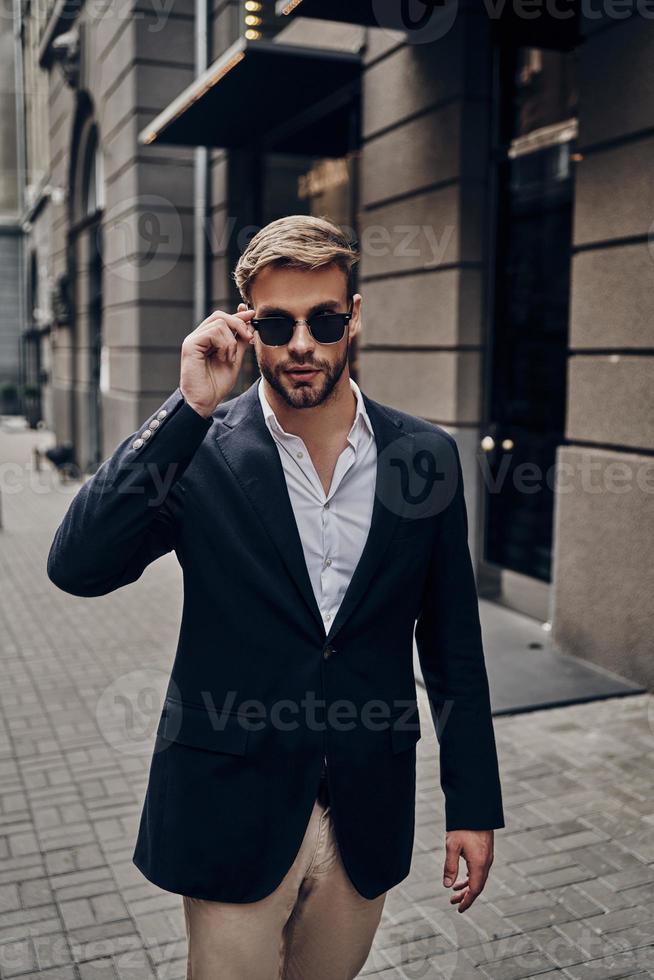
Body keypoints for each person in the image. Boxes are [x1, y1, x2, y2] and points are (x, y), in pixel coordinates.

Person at [47, 215, 504, 980]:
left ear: (353, 316)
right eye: (278, 323)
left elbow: (453, 644)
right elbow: (78, 564)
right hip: (233, 803)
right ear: (245, 324)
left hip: (366, 805)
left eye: (324, 320)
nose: (302, 345)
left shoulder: (424, 457)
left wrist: (474, 804)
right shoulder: (200, 448)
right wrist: (185, 410)